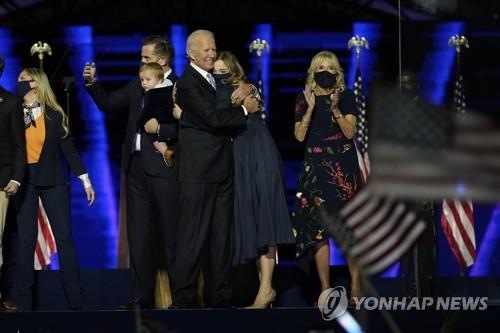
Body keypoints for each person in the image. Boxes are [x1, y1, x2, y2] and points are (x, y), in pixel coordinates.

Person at [83, 36, 179, 309]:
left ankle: (180, 297)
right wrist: (92, 83)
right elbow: (110, 104)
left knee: (171, 234)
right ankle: (141, 296)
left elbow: (187, 128)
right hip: (135, 168)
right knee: (137, 236)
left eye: (146, 57)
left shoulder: (178, 86)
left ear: (162, 60)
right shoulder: (139, 83)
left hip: (164, 167)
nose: (141, 61)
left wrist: (160, 131)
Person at [170, 30, 259, 308]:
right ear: (191, 53)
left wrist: (250, 88)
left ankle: (221, 298)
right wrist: (246, 111)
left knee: (222, 240)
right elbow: (213, 118)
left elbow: (238, 83)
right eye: (206, 50)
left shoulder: (214, 78)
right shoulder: (187, 84)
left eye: (214, 49)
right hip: (198, 173)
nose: (211, 54)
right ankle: (183, 300)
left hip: (222, 170)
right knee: (193, 239)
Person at [213, 51, 294, 308]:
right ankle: (264, 289)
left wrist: (249, 88)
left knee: (265, 220)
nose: (220, 76)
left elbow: (256, 102)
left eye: (225, 71)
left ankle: (266, 289)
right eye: (216, 72)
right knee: (252, 223)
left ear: (234, 70)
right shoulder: (213, 93)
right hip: (239, 157)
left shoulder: (245, 89)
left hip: (259, 153)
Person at [15, 68, 95, 311]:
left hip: (54, 182)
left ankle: (77, 304)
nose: (18, 83)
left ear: (35, 84)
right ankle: (24, 306)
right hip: (24, 183)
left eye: (22, 80)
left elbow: (68, 150)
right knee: (26, 242)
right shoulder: (12, 113)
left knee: (65, 239)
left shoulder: (53, 114)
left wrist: (86, 180)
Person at [292, 51, 362, 301]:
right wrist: (310, 109)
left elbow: (350, 132)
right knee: (318, 232)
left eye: (330, 68)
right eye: (320, 68)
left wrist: (335, 109)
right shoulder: (303, 98)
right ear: (313, 71)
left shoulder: (347, 96)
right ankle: (325, 287)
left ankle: (356, 286)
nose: (326, 72)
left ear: (337, 73)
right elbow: (299, 137)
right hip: (315, 168)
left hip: (343, 168)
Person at [0, 56, 26, 311]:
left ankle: (2, 294)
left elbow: (20, 145)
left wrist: (16, 177)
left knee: (0, 242)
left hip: (1, 182)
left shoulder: (9, 102)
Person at [138, 63, 175, 167]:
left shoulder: (151, 94)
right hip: (169, 119)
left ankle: (164, 151)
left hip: (158, 121)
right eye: (142, 80)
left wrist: (140, 124)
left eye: (148, 80)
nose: (144, 83)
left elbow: (146, 111)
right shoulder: (169, 86)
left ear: (159, 80)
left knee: (152, 137)